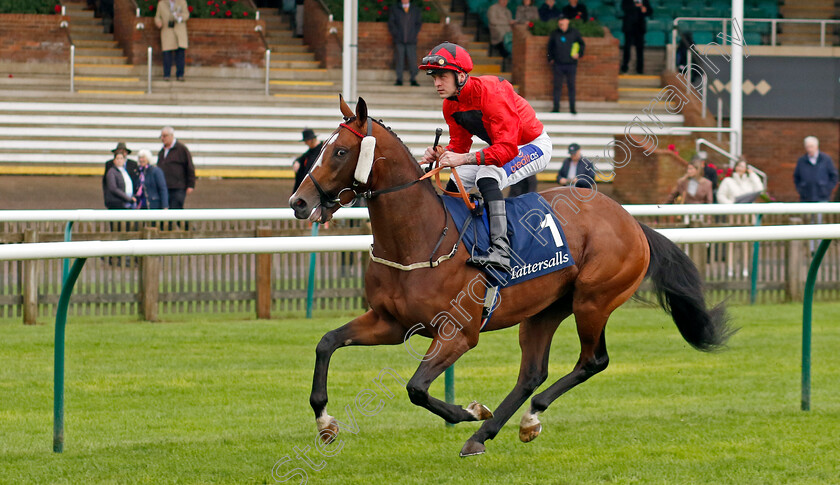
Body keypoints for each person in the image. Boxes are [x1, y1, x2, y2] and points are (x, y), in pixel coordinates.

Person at [419, 42, 553, 273]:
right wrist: (442, 153)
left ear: (460, 75)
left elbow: (507, 150)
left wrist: (462, 158)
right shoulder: (450, 105)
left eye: (442, 76)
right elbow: (460, 146)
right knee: (459, 175)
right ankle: (454, 237)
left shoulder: (493, 92)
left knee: (488, 175)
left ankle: (501, 249)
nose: (437, 83)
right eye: (434, 78)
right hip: (506, 147)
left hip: (532, 145)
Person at [547, 14, 585, 114]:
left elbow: (582, 44)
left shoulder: (574, 33)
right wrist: (550, 58)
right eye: (560, 22)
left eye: (563, 21)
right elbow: (549, 47)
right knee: (557, 86)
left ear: (567, 21)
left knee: (571, 86)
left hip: (571, 64)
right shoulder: (555, 33)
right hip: (558, 64)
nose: (561, 24)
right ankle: (556, 107)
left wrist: (579, 54)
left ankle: (572, 108)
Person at [157, 126, 195, 211]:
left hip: (178, 187)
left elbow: (189, 167)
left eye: (164, 136)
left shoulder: (181, 149)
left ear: (171, 136)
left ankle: (184, 224)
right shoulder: (162, 151)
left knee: (176, 208)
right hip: (165, 187)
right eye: (161, 136)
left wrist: (191, 185)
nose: (162, 138)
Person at [387, 0, 423, 87]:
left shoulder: (415, 9)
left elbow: (418, 23)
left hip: (411, 40)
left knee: (412, 59)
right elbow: (391, 23)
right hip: (399, 39)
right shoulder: (395, 9)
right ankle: (399, 79)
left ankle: (413, 79)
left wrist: (414, 34)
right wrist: (396, 34)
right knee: (399, 59)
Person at [794, 136, 838, 203]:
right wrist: (801, 189)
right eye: (807, 147)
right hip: (806, 197)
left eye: (811, 146)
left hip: (822, 197)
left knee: (820, 213)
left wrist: (827, 189)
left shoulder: (826, 159)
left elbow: (834, 176)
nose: (809, 149)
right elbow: (796, 177)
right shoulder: (801, 160)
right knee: (807, 213)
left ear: (817, 146)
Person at [155, 0, 189, 82]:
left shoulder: (182, 2)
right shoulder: (161, 4)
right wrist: (158, 22)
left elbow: (187, 15)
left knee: (180, 54)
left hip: (179, 31)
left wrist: (179, 16)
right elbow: (157, 17)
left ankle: (180, 75)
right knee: (167, 54)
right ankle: (166, 75)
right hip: (167, 30)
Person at [620, 0, 652, 74]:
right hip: (629, 26)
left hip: (640, 27)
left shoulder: (645, 1)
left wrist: (645, 10)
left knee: (640, 49)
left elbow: (650, 11)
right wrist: (636, 7)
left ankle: (639, 69)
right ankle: (625, 66)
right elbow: (624, 8)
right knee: (627, 47)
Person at [293, 129, 324, 193]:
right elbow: (302, 157)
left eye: (306, 141)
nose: (305, 143)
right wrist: (297, 161)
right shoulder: (311, 151)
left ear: (311, 140)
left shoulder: (322, 149)